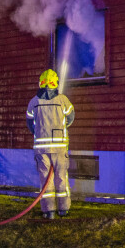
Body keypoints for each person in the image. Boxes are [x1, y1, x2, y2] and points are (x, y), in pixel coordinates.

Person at [26, 69, 75, 219]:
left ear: (41, 83)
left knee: (45, 179)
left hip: (42, 149)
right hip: (59, 147)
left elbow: (30, 123)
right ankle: (63, 209)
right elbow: (70, 118)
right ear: (56, 83)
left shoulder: (34, 101)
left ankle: (49, 211)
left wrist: (40, 132)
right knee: (61, 177)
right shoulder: (63, 100)